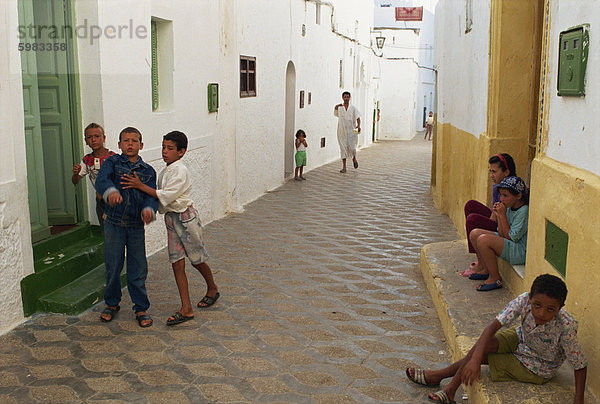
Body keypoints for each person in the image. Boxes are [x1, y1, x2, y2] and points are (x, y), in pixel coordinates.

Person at [406, 274, 588, 404]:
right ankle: (446, 385)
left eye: (551, 309)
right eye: (537, 305)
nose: (542, 313)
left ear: (560, 308)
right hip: (521, 338)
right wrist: (475, 358)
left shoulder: (566, 326)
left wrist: (578, 400)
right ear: (531, 297)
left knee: (484, 357)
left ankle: (447, 386)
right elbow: (493, 326)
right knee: (483, 345)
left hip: (537, 365)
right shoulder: (524, 300)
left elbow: (580, 365)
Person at [121, 131, 220, 326]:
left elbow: (165, 195)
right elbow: (160, 199)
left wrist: (140, 185)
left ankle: (212, 288)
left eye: (170, 148)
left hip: (186, 219)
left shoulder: (180, 170)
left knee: (196, 259)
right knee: (177, 262)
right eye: (163, 147)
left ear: (181, 152)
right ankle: (186, 308)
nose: (165, 152)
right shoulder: (166, 170)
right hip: (172, 220)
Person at [95, 127, 158, 327]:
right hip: (113, 223)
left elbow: (151, 196)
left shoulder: (148, 171)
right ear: (119, 145)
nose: (130, 144)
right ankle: (112, 304)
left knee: (138, 268)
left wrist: (149, 210)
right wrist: (111, 192)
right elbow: (101, 181)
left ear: (141, 145)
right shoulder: (111, 163)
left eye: (134, 140)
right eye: (126, 141)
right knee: (113, 266)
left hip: (135, 226)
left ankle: (141, 308)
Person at [468, 176, 529, 291]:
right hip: (511, 242)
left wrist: (502, 215)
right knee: (474, 234)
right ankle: (486, 269)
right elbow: (501, 233)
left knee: (483, 240)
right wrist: (499, 215)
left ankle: (495, 278)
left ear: (519, 196)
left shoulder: (523, 211)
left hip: (520, 250)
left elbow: (511, 237)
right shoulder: (510, 207)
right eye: (501, 195)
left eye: (506, 195)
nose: (501, 198)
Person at [462, 153, 516, 277]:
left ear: (506, 172)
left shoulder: (509, 189)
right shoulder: (497, 186)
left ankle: (482, 264)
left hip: (503, 225)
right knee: (470, 205)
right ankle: (479, 257)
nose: (491, 175)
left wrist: (486, 223)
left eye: (494, 172)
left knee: (472, 220)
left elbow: (496, 217)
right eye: (490, 171)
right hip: (496, 218)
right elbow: (494, 211)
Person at [72, 123, 116, 233]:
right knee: (105, 231)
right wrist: (76, 174)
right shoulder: (87, 160)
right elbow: (75, 181)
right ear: (86, 141)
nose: (93, 140)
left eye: (97, 136)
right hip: (101, 202)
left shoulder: (113, 157)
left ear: (103, 138)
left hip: (114, 200)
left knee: (116, 231)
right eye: (89, 137)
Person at [334, 91, 361, 173]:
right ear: (342, 98)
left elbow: (358, 118)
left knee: (352, 147)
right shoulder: (340, 108)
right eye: (345, 97)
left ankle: (354, 158)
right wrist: (336, 106)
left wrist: (358, 126)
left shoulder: (353, 108)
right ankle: (344, 167)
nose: (346, 98)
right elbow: (335, 113)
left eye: (347, 97)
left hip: (352, 130)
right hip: (341, 131)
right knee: (343, 148)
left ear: (350, 98)